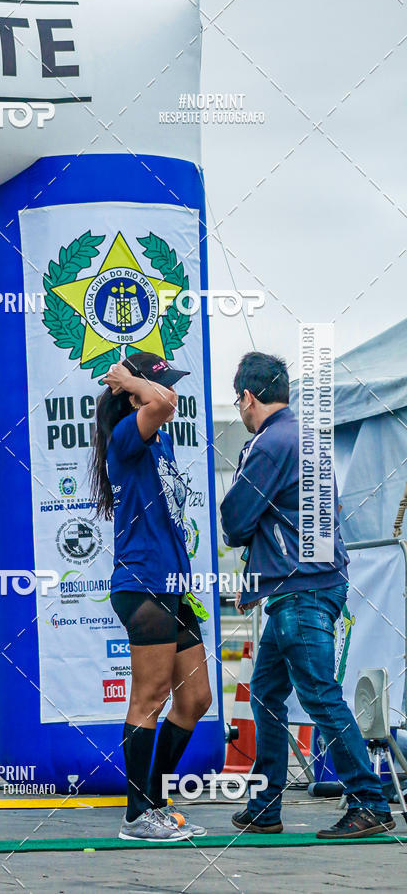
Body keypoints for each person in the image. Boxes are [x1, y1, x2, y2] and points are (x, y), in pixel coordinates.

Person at [220, 351, 394, 839]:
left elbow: (235, 521)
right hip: (310, 585)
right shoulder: (308, 438)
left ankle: (369, 801)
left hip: (299, 591)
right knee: (268, 693)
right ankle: (266, 805)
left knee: (319, 696)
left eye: (238, 401)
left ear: (248, 397)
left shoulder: (269, 443)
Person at [90, 352, 212, 842]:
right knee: (151, 697)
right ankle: (137, 815)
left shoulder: (159, 441)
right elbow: (161, 403)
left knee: (195, 699)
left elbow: (164, 404)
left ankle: (156, 802)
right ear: (133, 396)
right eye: (162, 383)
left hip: (172, 587)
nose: (171, 392)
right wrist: (128, 379)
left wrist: (138, 384)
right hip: (142, 584)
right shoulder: (126, 438)